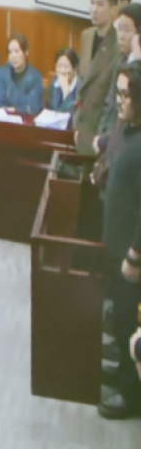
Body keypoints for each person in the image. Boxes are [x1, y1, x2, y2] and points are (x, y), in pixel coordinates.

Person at [99, 61, 141, 419]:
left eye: (126, 95)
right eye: (119, 93)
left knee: (131, 323)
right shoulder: (127, 129)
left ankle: (132, 395)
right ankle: (125, 373)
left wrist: (135, 256)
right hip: (117, 247)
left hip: (133, 255)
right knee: (123, 319)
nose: (120, 101)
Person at [74, 0, 121, 154]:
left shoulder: (118, 44)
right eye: (92, 2)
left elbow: (111, 97)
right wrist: (77, 122)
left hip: (101, 130)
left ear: (113, 8)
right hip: (82, 127)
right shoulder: (87, 36)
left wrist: (102, 135)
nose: (94, 9)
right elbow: (82, 82)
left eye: (100, 4)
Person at [97, 4, 141, 139]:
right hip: (110, 138)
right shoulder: (120, 62)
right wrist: (102, 133)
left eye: (126, 30)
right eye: (119, 29)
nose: (121, 36)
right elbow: (109, 104)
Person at [0, 34, 44, 114]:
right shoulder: (1, 74)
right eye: (10, 52)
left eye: (17, 51)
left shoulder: (35, 76)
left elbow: (33, 108)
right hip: (5, 119)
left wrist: (13, 109)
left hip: (27, 119)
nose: (13, 56)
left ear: (26, 52)